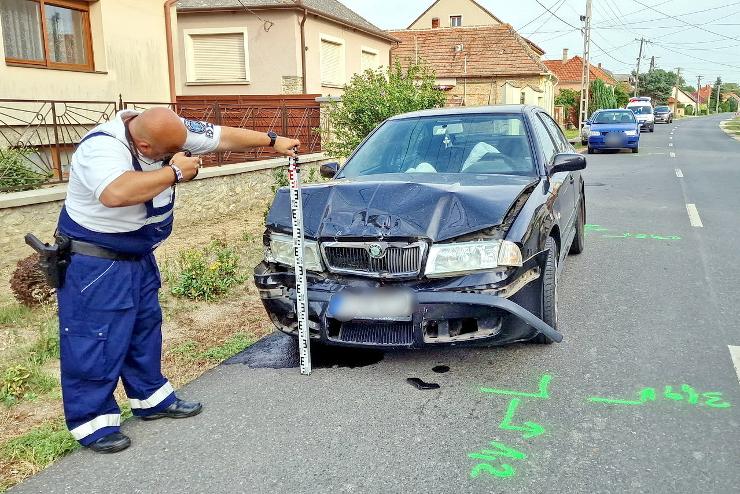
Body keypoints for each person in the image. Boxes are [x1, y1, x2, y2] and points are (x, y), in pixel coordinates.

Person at [56, 107, 299, 453]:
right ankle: (92, 423)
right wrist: (174, 172)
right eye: (166, 152)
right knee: (95, 339)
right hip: (96, 263)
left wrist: (273, 141)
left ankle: (151, 398)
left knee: (144, 328)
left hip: (137, 256)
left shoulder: (170, 131)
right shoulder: (102, 148)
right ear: (142, 143)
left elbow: (222, 136)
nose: (177, 153)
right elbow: (116, 193)